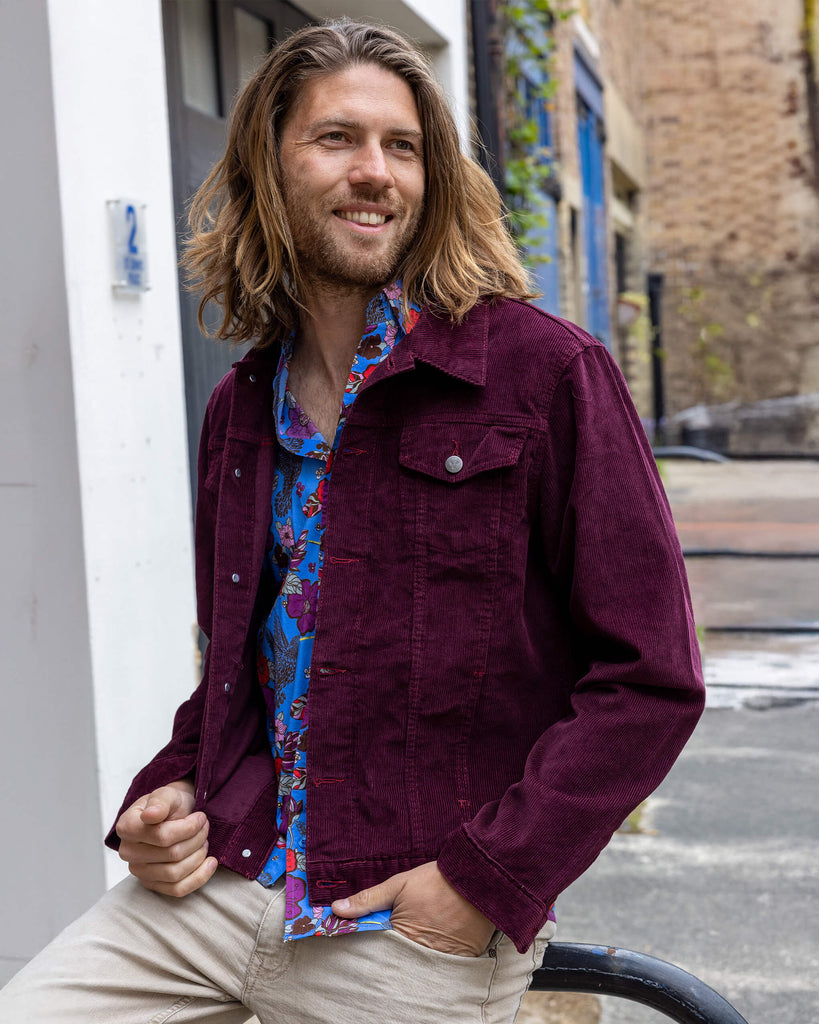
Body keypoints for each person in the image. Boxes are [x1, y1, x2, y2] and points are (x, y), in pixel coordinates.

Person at [0, 18, 705, 1024]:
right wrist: (162, 798)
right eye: (337, 139)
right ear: (267, 166)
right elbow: (239, 673)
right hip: (221, 884)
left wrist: (481, 879)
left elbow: (651, 677)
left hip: (404, 914)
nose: (376, 171)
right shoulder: (241, 409)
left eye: (404, 146)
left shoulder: (543, 373)